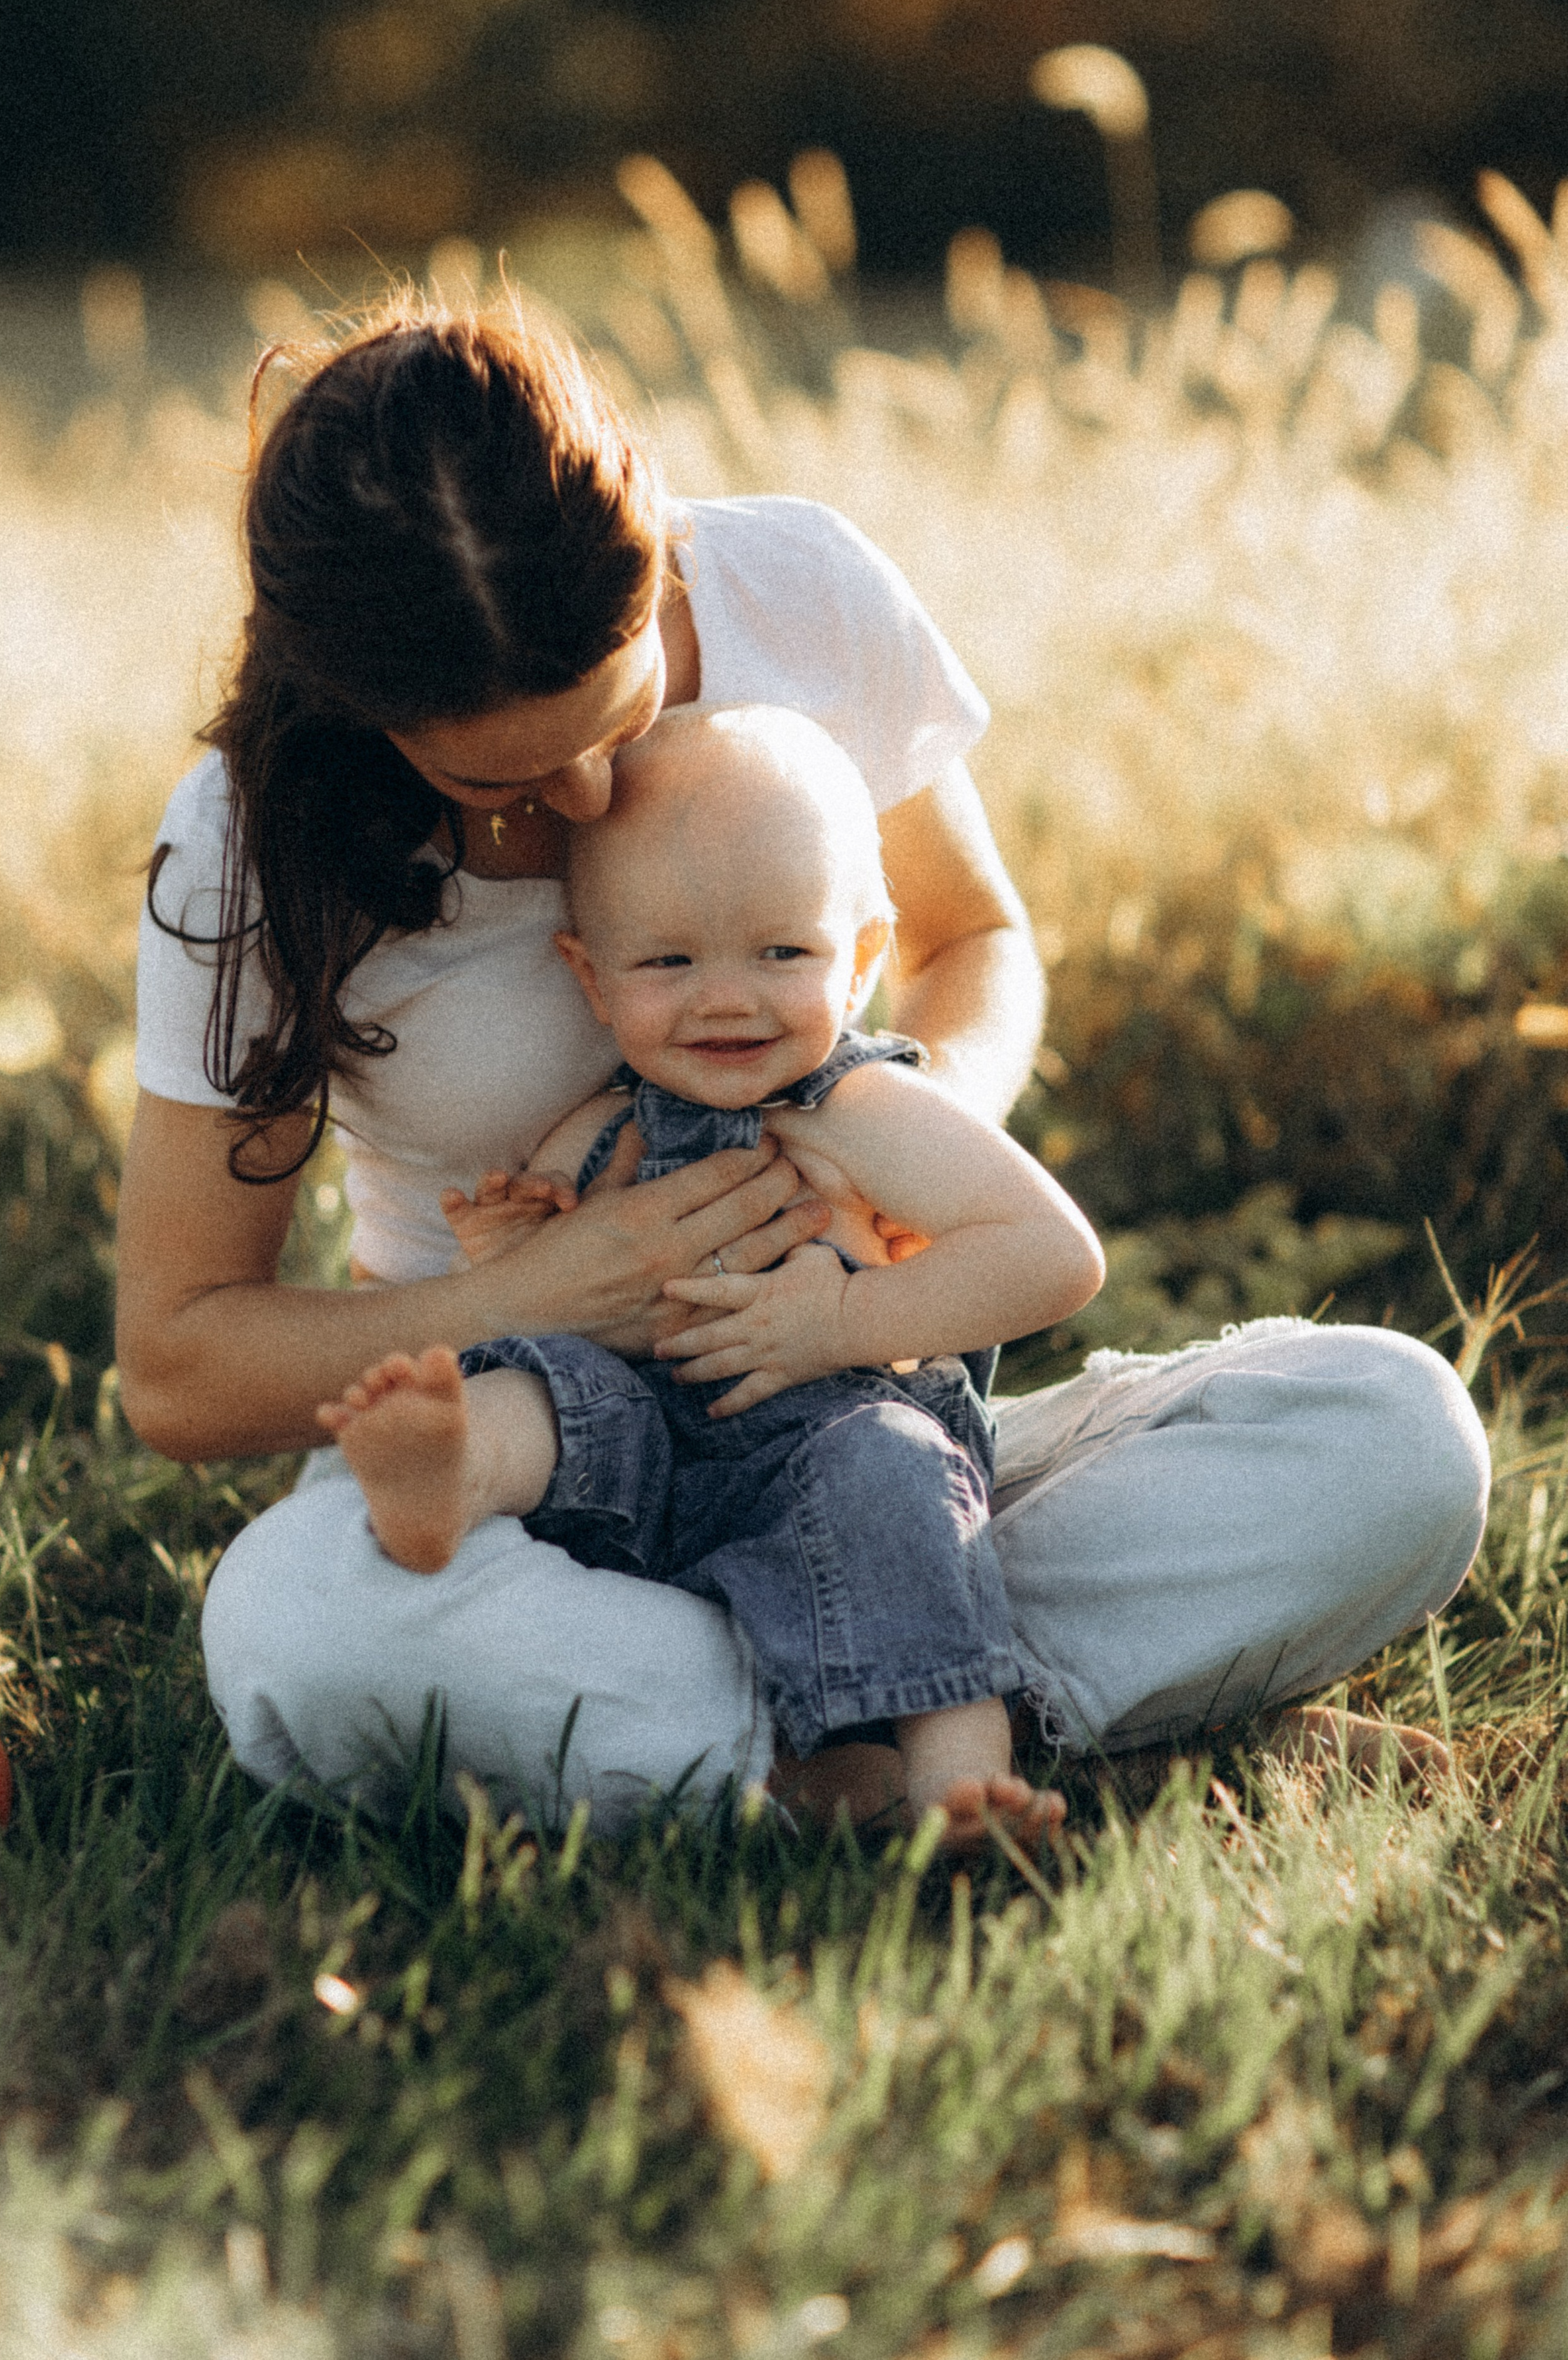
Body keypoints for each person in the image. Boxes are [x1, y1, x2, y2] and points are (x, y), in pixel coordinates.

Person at [116, 294, 1491, 1833]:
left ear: (653, 547)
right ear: (360, 712)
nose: (580, 798)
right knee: (300, 1632)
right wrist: (532, 1294)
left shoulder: (795, 590)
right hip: (531, 1472)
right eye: (492, 774)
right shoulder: (249, 846)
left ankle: (796, 1751)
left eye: (620, 710)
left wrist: (886, 1154)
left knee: (1390, 1434)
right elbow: (180, 1357)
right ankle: (967, 1734)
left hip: (855, 1437)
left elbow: (974, 938)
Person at [316, 703, 1107, 1847]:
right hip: (641, 1447)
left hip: (820, 1452)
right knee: (545, 1384)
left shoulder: (863, 1111)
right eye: (668, 961)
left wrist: (845, 1317)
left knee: (901, 1484)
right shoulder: (599, 1127)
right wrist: (509, 1254)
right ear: (590, 980)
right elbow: (543, 1293)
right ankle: (448, 1474)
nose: (726, 998)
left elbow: (1054, 1256)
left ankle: (959, 1786)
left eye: (782, 954)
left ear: (864, 957)